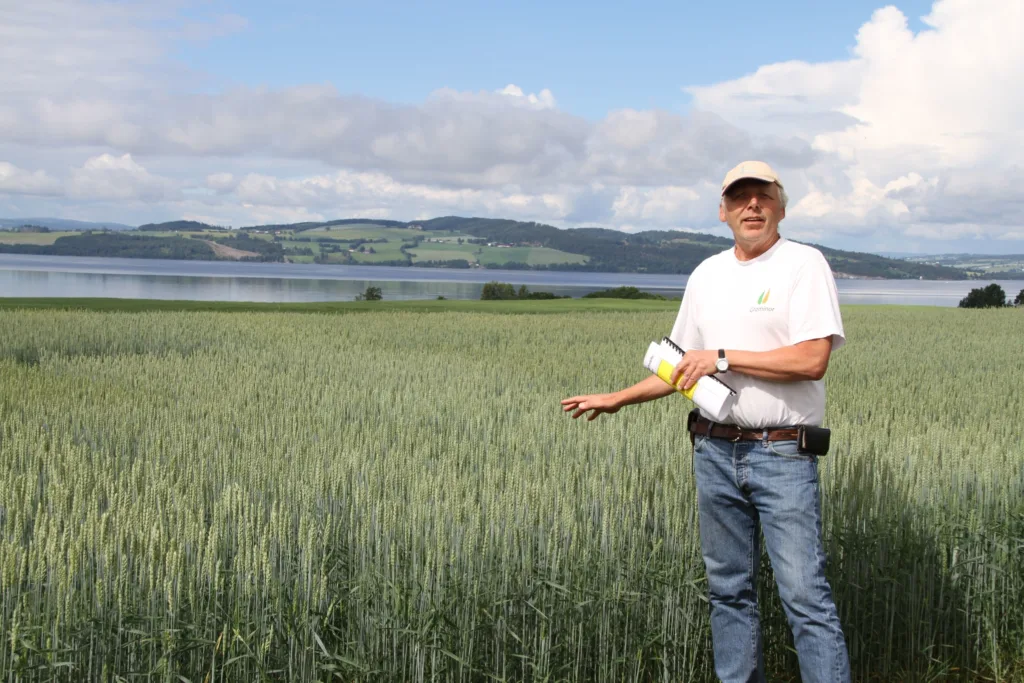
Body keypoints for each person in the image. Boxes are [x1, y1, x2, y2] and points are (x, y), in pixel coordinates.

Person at [560, 161, 851, 682]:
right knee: (728, 592)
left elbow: (812, 360)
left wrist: (721, 355)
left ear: (781, 208)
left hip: (781, 453)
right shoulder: (707, 275)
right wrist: (618, 398)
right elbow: (683, 366)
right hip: (713, 452)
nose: (752, 206)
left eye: (763, 196)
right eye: (740, 198)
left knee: (805, 597)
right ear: (723, 211)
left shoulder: (803, 266)